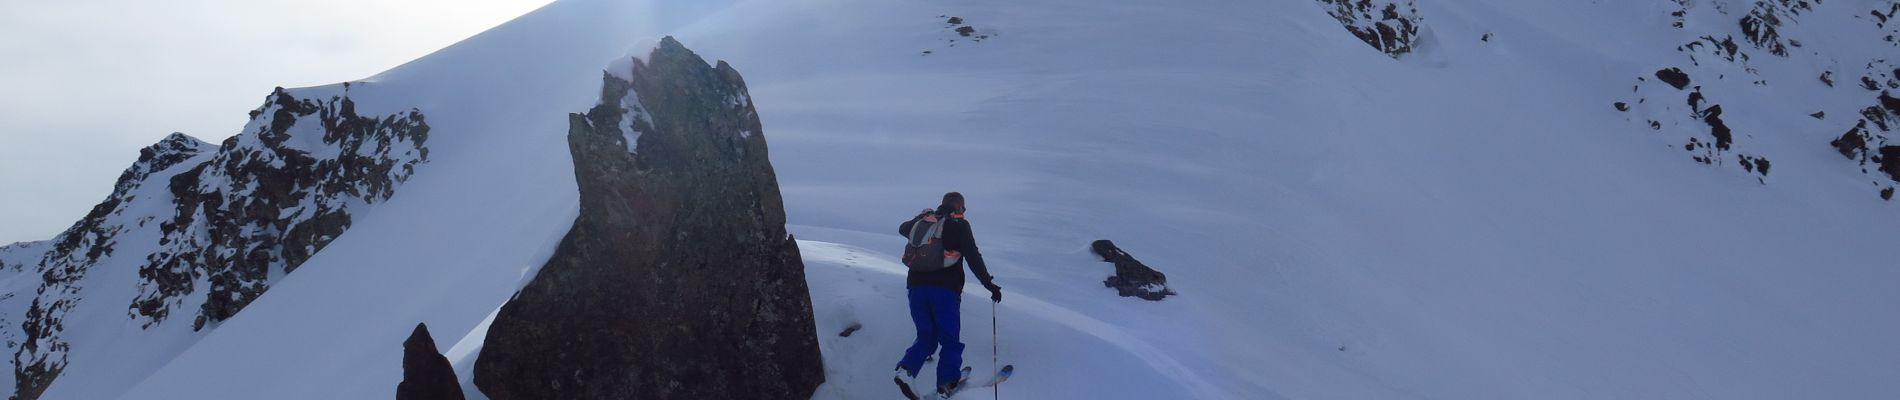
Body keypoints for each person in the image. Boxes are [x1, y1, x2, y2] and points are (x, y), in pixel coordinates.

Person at [893, 192, 1002, 399]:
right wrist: (989, 284)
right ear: (960, 207)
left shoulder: (924, 222)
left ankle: (906, 371)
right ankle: (946, 383)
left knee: (926, 336)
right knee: (950, 339)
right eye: (964, 208)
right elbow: (972, 255)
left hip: (916, 289)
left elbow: (902, 228)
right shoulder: (958, 225)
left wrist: (921, 217)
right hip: (944, 290)